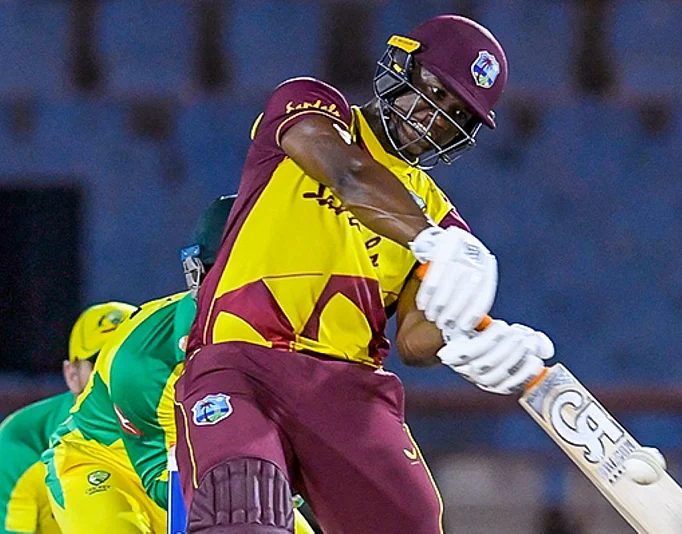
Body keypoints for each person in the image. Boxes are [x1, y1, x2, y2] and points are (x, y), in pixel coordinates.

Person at [175, 14, 555, 534]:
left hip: (348, 391)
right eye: (434, 91)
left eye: (456, 114)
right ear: (401, 65)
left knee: (411, 522)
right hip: (243, 363)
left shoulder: (444, 224)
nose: (434, 119)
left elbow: (417, 340)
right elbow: (348, 174)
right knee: (242, 508)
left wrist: (469, 337)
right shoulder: (312, 107)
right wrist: (431, 241)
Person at [41, 197, 314, 534]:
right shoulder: (143, 364)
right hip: (110, 466)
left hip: (214, 466)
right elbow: (163, 479)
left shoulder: (299, 331)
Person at [0, 302, 135, 534]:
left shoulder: (181, 427)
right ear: (72, 375)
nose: (116, 374)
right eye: (100, 363)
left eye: (127, 360)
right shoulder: (22, 442)